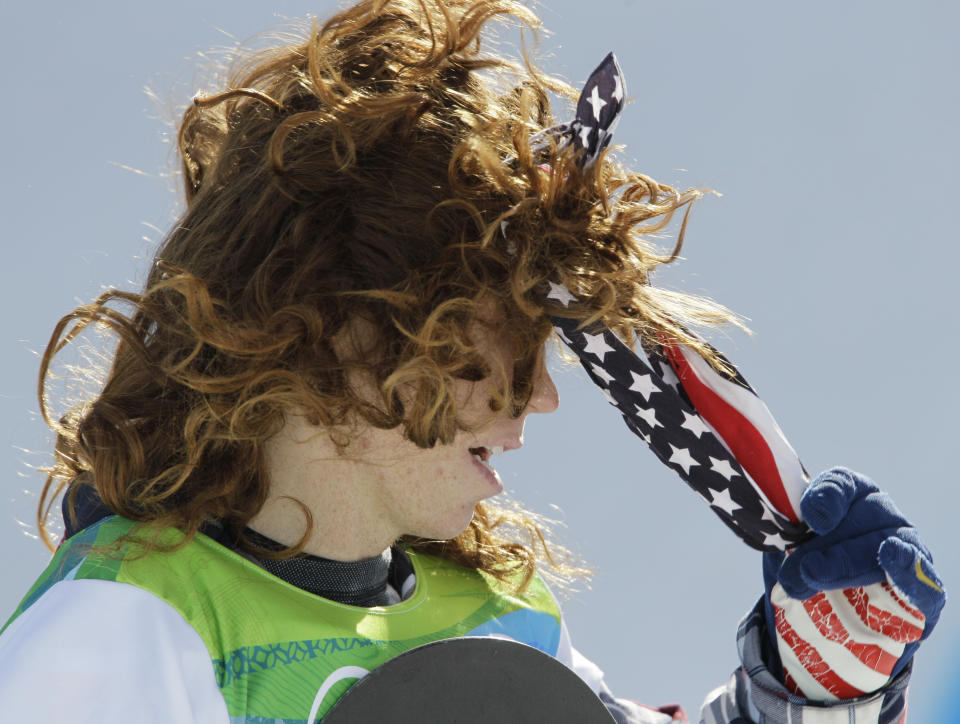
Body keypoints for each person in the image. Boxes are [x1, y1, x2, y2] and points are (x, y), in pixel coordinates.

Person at [0, 1, 943, 722]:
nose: (541, 395)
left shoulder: (501, 622)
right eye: (497, 346)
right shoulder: (133, 623)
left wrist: (819, 685)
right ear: (345, 328)